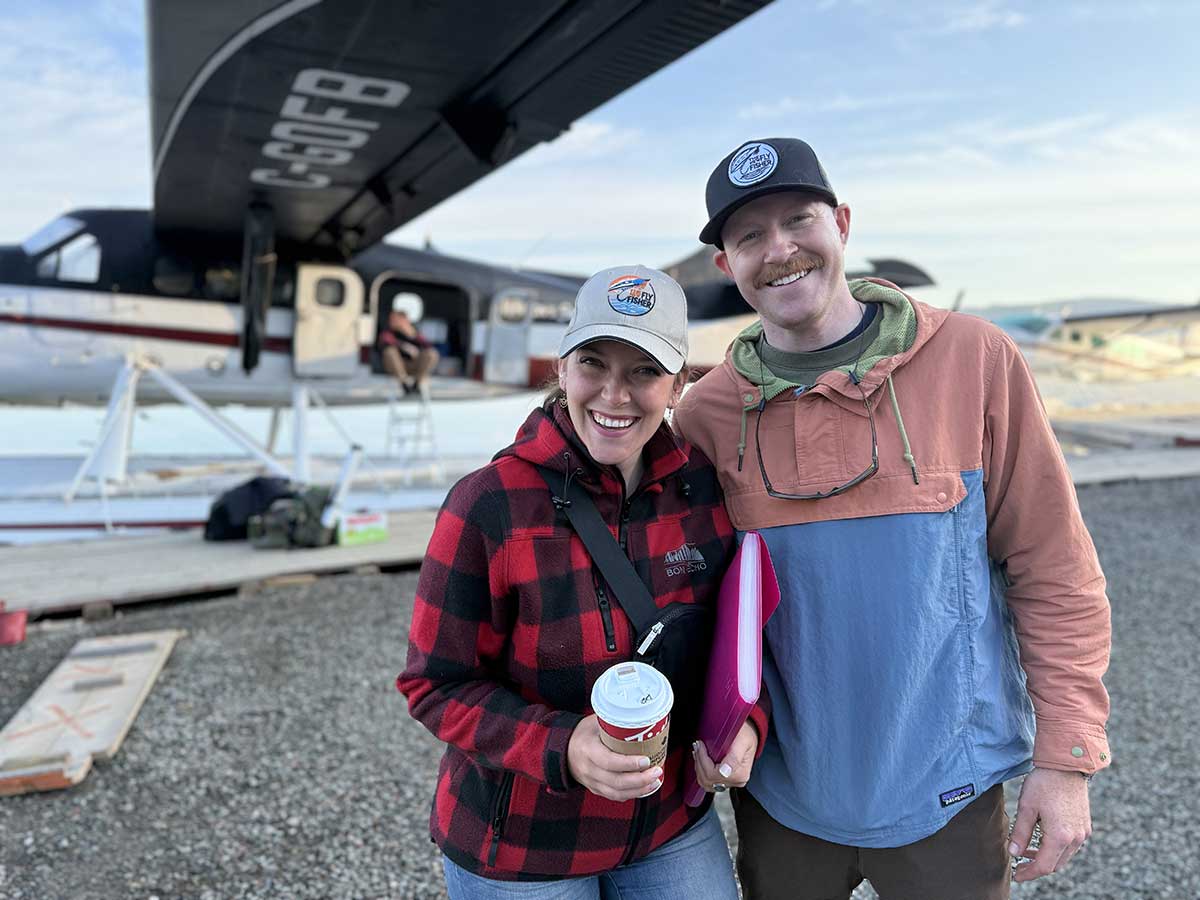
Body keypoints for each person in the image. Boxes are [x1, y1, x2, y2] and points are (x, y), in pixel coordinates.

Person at [674, 138, 1112, 900]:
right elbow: (693, 599)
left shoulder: (975, 358)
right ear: (726, 264)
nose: (778, 250)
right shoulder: (706, 413)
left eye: (798, 220)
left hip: (949, 788)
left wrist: (1066, 757)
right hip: (782, 792)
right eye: (749, 236)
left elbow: (1053, 566)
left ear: (842, 223)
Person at [398, 265, 765, 898]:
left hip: (665, 824)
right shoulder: (489, 504)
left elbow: (735, 644)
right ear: (563, 369)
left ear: (678, 385)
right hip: (521, 842)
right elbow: (434, 685)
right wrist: (563, 746)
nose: (614, 395)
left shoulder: (701, 490)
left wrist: (747, 723)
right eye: (594, 363)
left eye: (644, 371)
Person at [379, 307, 439, 393]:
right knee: (390, 352)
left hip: (413, 365)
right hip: (396, 367)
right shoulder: (388, 331)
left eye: (395, 319)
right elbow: (385, 341)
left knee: (432, 354)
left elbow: (428, 346)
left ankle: (417, 383)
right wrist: (403, 346)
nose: (391, 321)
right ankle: (404, 384)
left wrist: (412, 335)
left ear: (404, 320)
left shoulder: (414, 332)